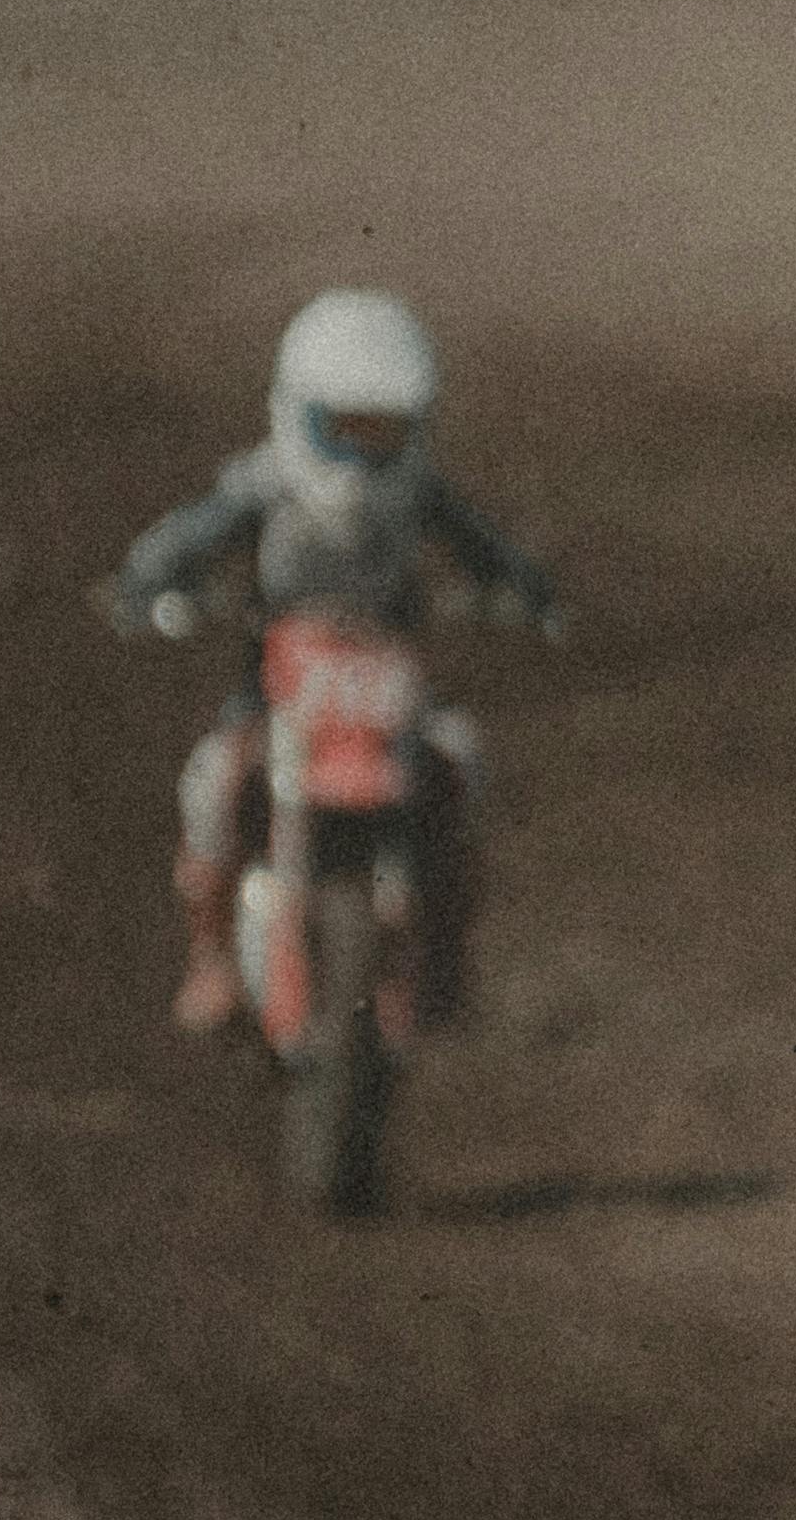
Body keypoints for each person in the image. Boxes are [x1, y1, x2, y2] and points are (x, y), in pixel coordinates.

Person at [108, 290, 561, 1035]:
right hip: (276, 700)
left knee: (459, 770)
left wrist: (523, 591)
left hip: (386, 702)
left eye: (382, 433)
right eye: (344, 430)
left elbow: (486, 548)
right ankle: (213, 956)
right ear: (299, 415)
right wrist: (151, 583)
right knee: (214, 785)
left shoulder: (418, 494)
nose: (361, 455)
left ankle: (444, 955)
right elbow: (183, 540)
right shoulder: (265, 487)